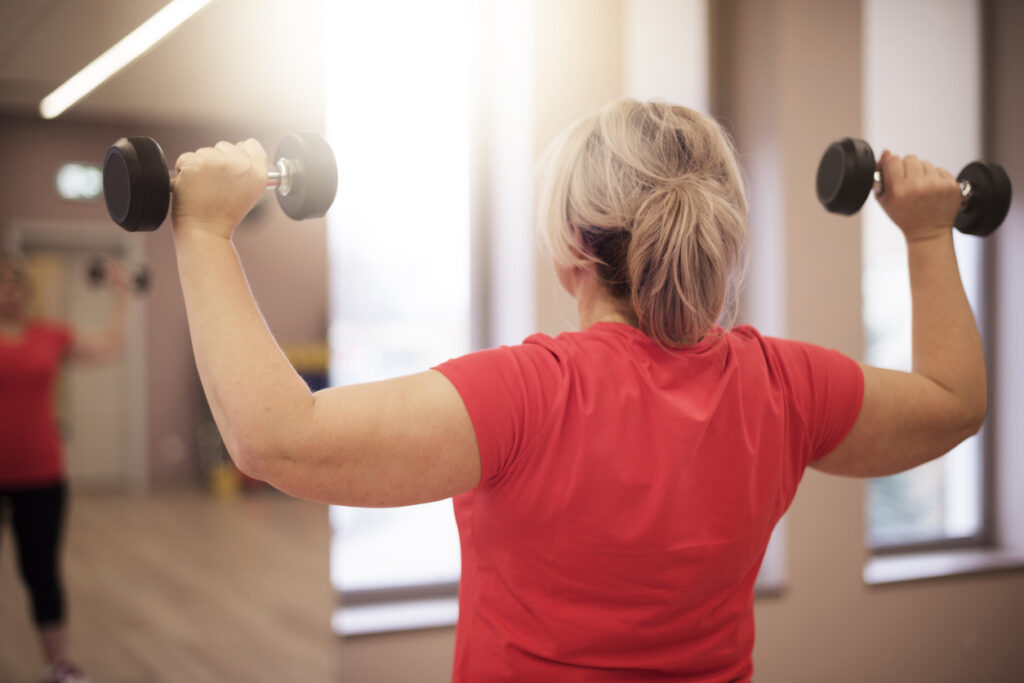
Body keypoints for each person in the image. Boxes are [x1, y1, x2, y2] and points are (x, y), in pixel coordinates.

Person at [169, 99, 985, 681]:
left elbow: (275, 437)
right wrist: (925, 232)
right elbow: (953, 399)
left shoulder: (531, 396)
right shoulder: (783, 386)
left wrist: (205, 232)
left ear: (570, 247)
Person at [0, 252, 130, 683]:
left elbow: (111, 346)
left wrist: (122, 295)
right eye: (3, 282)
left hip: (42, 475)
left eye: (16, 282)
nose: (10, 290)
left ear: (27, 289)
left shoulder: (49, 336)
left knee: (40, 571)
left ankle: (58, 666)